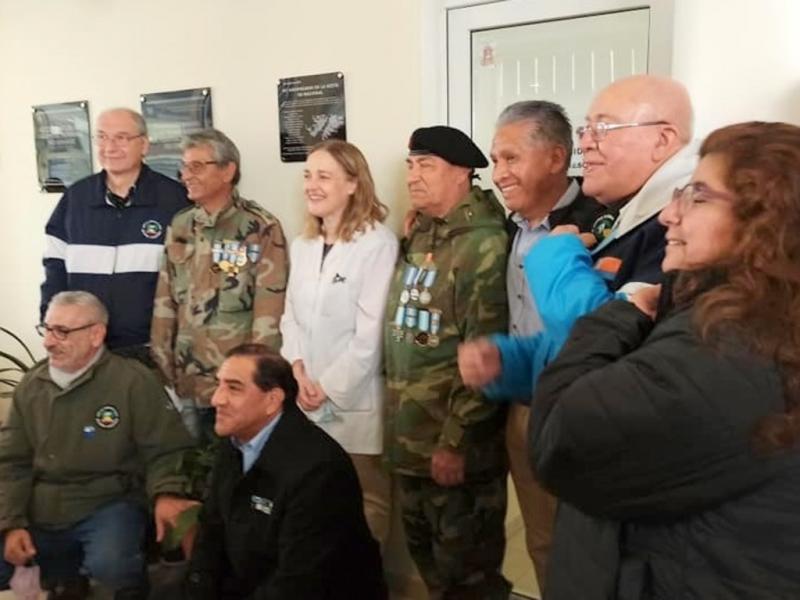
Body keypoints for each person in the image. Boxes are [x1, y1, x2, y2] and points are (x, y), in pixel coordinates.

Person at [529, 121, 800, 599]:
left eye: (697, 195)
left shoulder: (726, 349)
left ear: (767, 219)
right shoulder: (753, 319)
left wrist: (620, 315)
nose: (667, 216)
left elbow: (560, 441)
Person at [460, 75, 696, 470]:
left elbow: (608, 344)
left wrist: (552, 255)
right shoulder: (625, 218)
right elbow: (577, 345)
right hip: (564, 417)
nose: (585, 142)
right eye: (587, 129)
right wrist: (511, 362)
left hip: (614, 453)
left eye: (602, 127)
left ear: (663, 140)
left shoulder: (675, 235)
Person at [458, 100, 603, 587]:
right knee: (542, 541)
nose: (498, 173)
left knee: (589, 548)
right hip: (522, 405)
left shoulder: (599, 226)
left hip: (583, 416)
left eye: (510, 158)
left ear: (557, 158)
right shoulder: (507, 229)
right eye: (495, 160)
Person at [0, 291, 196, 599]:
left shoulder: (133, 381)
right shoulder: (31, 386)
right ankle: (66, 583)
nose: (49, 341)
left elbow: (166, 449)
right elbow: (11, 462)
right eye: (47, 329)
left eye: (62, 331)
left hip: (108, 502)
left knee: (113, 568)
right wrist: (11, 524)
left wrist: (166, 494)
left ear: (96, 334)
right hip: (40, 504)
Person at [384, 125, 511, 599]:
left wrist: (456, 441)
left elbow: (486, 349)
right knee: (436, 573)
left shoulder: (481, 243)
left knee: (469, 578)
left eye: (427, 166)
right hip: (411, 437)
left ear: (462, 173)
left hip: (452, 443)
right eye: (411, 165)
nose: (414, 176)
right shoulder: (424, 232)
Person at [185, 344, 387, 599]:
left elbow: (300, 580)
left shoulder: (319, 469)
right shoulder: (234, 444)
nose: (217, 399)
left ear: (272, 400)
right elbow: (211, 535)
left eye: (233, 388)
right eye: (219, 384)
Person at [280, 140, 397, 546]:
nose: (311, 184)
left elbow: (371, 334)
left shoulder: (377, 244)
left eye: (324, 176)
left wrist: (325, 388)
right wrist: (296, 371)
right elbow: (290, 316)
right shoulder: (304, 244)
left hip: (352, 399)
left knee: (365, 506)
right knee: (315, 505)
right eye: (308, 175)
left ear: (352, 183)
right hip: (304, 393)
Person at [150, 129, 289, 442]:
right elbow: (165, 300)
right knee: (189, 472)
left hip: (233, 387)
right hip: (184, 381)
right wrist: (162, 363)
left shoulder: (260, 227)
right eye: (184, 167)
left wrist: (257, 382)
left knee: (234, 472)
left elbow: (269, 311)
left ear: (228, 170)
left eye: (197, 166)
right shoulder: (181, 224)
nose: (187, 175)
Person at [40, 108, 188, 360]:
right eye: (102, 137)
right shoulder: (75, 198)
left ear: (144, 145)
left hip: (151, 347)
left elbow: (189, 278)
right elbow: (54, 267)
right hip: (84, 346)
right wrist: (53, 323)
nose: (110, 147)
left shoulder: (174, 200)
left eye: (121, 137)